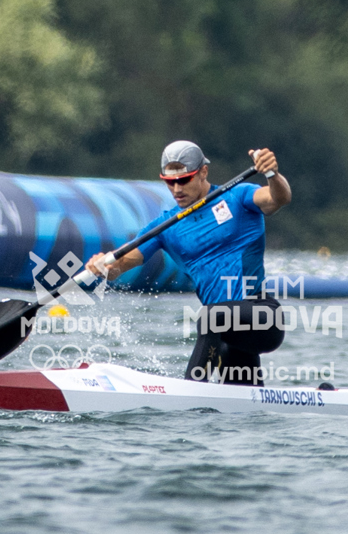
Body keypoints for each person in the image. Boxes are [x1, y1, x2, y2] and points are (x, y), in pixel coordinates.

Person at [86, 141, 292, 386]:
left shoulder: (238, 196)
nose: (176, 188)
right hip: (226, 333)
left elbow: (279, 198)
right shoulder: (166, 226)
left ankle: (190, 389)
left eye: (183, 180)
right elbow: (119, 267)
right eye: (169, 182)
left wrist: (272, 174)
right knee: (240, 402)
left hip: (262, 315)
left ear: (203, 172)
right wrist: (103, 267)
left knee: (211, 316)